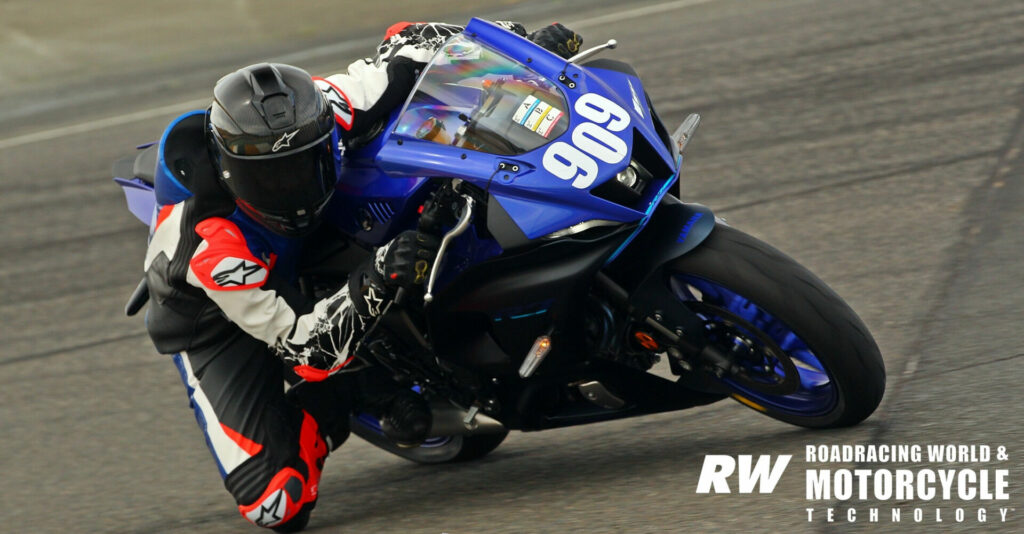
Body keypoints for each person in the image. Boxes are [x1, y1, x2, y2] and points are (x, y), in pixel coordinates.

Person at [142, 21, 582, 532]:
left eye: (305, 164)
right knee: (274, 504)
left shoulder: (327, 104)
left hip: (306, 243)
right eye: (269, 177)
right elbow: (303, 348)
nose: (292, 188)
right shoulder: (211, 249)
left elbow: (417, 45)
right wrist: (376, 276)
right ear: (227, 171)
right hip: (217, 319)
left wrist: (523, 50)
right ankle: (358, 393)